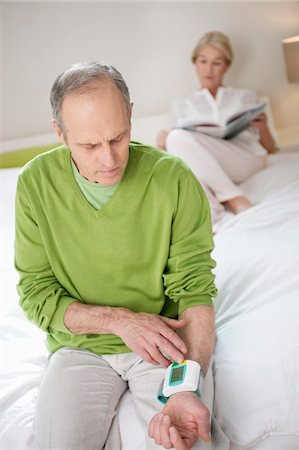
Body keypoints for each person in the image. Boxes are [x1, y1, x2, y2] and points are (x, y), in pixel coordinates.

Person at [14, 62, 229, 450]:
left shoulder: (174, 178)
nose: (110, 159)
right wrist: (120, 321)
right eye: (90, 146)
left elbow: (194, 291)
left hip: (165, 344)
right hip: (79, 348)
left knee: (187, 442)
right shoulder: (34, 183)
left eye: (118, 137)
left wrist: (185, 387)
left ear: (130, 113)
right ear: (59, 134)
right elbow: (36, 293)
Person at [156, 32, 276, 217]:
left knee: (180, 144)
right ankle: (212, 213)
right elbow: (177, 157)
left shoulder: (244, 96)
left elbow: (270, 149)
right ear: (195, 63)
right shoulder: (181, 105)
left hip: (245, 160)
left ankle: (233, 198)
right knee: (176, 139)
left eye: (217, 63)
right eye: (203, 61)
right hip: (208, 165)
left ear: (226, 66)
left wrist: (263, 127)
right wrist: (162, 144)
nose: (208, 69)